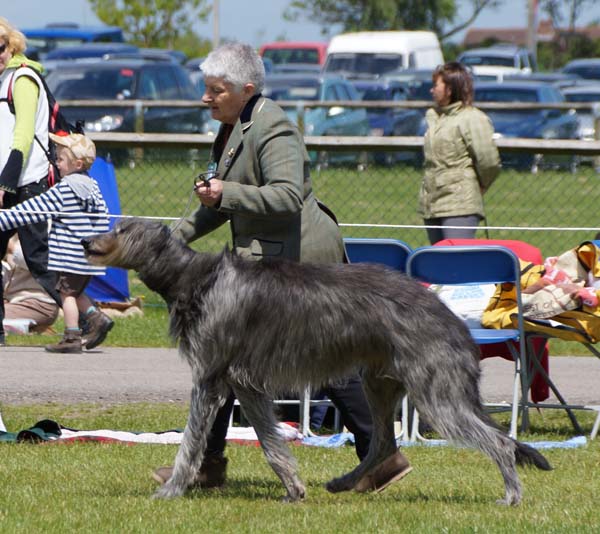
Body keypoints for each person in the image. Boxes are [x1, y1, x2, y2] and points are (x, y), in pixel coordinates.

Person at [152, 42, 411, 493]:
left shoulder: (273, 128)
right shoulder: (235, 126)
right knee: (227, 360)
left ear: (245, 89)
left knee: (327, 359)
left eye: (215, 90)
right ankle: (208, 463)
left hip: (303, 261)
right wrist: (173, 239)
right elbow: (220, 203)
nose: (205, 98)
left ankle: (381, 454)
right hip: (269, 264)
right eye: (206, 89)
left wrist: (225, 194)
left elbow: (287, 196)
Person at [0, 132, 113, 353]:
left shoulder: (64, 189)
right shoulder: (94, 187)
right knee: (76, 292)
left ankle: (71, 336)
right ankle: (97, 318)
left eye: (61, 159)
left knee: (67, 295)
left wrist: (3, 219)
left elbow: (31, 210)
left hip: (69, 258)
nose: (57, 163)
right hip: (89, 257)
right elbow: (105, 216)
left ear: (77, 163)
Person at [0, 17, 62, 346]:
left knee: (38, 258)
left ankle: (90, 314)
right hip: (11, 180)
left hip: (26, 182)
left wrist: (4, 184)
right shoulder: (3, 79)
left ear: (12, 45)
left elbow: (22, 136)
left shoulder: (23, 78)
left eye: (1, 46)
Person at [418, 61, 501, 245]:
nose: (432, 90)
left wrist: (481, 186)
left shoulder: (472, 118)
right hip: (432, 204)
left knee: (456, 257)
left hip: (460, 205)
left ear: (450, 88)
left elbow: (489, 161)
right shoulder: (436, 118)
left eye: (436, 85)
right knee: (437, 260)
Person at [2, 234, 59, 334]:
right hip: (14, 302)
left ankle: (23, 327)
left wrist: (11, 247)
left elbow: (39, 264)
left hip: (39, 303)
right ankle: (30, 327)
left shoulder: (45, 231)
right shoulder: (14, 234)